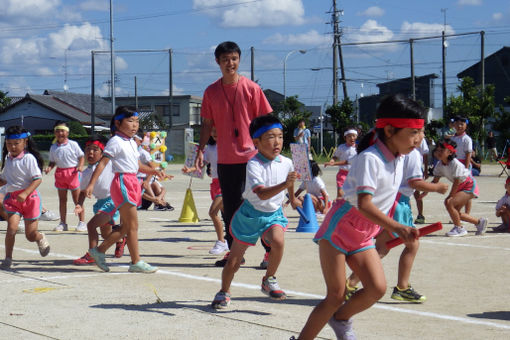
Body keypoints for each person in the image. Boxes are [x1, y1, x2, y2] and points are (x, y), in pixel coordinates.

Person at [296, 94, 424, 340]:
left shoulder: (400, 158)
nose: (418, 140)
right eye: (412, 133)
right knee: (335, 294)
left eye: (420, 133)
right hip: (340, 230)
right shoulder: (369, 159)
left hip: (365, 233)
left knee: (377, 288)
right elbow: (364, 204)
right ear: (388, 130)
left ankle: (341, 319)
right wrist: (398, 227)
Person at [195, 41, 273, 268]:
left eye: (234, 59)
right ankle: (234, 251)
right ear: (217, 62)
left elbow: (267, 121)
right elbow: (207, 124)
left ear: (239, 60)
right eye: (226, 59)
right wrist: (199, 151)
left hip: (251, 157)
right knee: (230, 209)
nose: (230, 63)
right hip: (226, 159)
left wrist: (270, 150)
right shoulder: (211, 91)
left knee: (258, 205)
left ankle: (268, 251)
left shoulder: (251, 88)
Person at [211, 114, 300, 309]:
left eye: (280, 136)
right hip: (250, 215)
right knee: (234, 261)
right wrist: (285, 184)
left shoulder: (285, 162)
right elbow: (261, 194)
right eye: (270, 137)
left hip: (274, 214)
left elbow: (290, 181)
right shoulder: (254, 164)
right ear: (256, 142)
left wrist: (292, 197)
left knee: (278, 241)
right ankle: (224, 291)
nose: (277, 142)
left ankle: (269, 279)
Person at [345, 145, 449, 304]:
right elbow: (414, 182)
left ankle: (399, 286)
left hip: (390, 200)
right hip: (398, 203)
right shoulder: (412, 153)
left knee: (385, 246)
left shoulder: (391, 150)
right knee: (403, 245)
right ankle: (354, 284)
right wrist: (437, 187)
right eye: (417, 132)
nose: (420, 136)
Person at [85, 106, 165, 273]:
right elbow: (102, 163)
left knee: (128, 226)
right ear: (118, 123)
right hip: (122, 181)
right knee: (131, 226)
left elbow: (138, 166)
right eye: (130, 121)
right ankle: (133, 261)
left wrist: (154, 171)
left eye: (137, 121)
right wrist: (91, 184)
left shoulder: (131, 142)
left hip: (132, 181)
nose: (135, 125)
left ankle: (101, 252)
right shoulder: (115, 141)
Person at [0, 126, 50, 269]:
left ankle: (40, 237)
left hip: (30, 199)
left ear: (25, 142)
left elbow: (37, 179)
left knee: (30, 235)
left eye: (16, 143)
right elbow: (4, 179)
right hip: (13, 200)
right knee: (11, 228)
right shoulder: (8, 159)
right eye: (9, 144)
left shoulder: (29, 158)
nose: (13, 147)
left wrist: (25, 193)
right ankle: (8, 258)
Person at [73, 135, 123, 265]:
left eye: (95, 149)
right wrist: (79, 204)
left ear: (102, 152)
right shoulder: (85, 173)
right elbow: (83, 192)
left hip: (112, 200)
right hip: (100, 203)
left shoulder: (108, 164)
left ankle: (92, 254)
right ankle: (120, 240)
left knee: (91, 225)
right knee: (106, 235)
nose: (90, 152)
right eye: (88, 149)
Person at [183, 127, 228, 255]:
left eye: (217, 129)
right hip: (214, 183)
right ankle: (229, 240)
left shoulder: (229, 147)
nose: (214, 133)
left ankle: (221, 241)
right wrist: (190, 170)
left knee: (213, 213)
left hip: (225, 184)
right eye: (212, 130)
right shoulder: (209, 148)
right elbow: (201, 165)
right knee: (227, 216)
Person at [431, 139, 487, 237]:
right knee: (455, 212)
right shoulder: (439, 165)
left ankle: (459, 228)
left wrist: (450, 196)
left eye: (441, 150)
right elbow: (434, 182)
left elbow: (456, 181)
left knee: (449, 203)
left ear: (450, 152)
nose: (438, 152)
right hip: (462, 186)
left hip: (469, 185)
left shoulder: (454, 163)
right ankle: (479, 222)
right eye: (437, 150)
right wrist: (424, 192)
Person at [44, 121, 85, 232]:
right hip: (60, 173)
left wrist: (80, 166)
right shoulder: (53, 147)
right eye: (57, 131)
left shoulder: (73, 144)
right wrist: (49, 168)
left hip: (73, 173)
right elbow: (52, 161)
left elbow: (81, 157)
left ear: (67, 132)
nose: (60, 133)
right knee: (62, 200)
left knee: (77, 200)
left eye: (62, 131)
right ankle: (63, 223)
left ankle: (82, 222)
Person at [134, 132, 174, 211]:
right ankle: (158, 202)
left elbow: (152, 168)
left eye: (133, 139)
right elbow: (151, 169)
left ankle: (159, 202)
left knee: (155, 185)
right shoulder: (134, 152)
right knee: (146, 185)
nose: (131, 141)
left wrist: (161, 175)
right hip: (139, 195)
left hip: (143, 184)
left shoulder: (142, 153)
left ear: (140, 141)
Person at [325, 128, 358, 199]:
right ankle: (338, 208)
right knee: (340, 194)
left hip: (354, 174)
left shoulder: (358, 148)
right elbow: (335, 156)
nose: (352, 138)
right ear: (345, 137)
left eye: (354, 136)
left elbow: (349, 161)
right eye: (349, 136)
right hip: (342, 174)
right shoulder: (341, 147)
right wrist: (332, 160)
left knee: (353, 196)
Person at [414, 138, 429, 224]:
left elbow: (425, 154)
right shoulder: (402, 134)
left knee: (417, 192)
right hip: (404, 167)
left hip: (417, 168)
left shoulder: (420, 138)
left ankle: (420, 214)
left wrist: (426, 170)